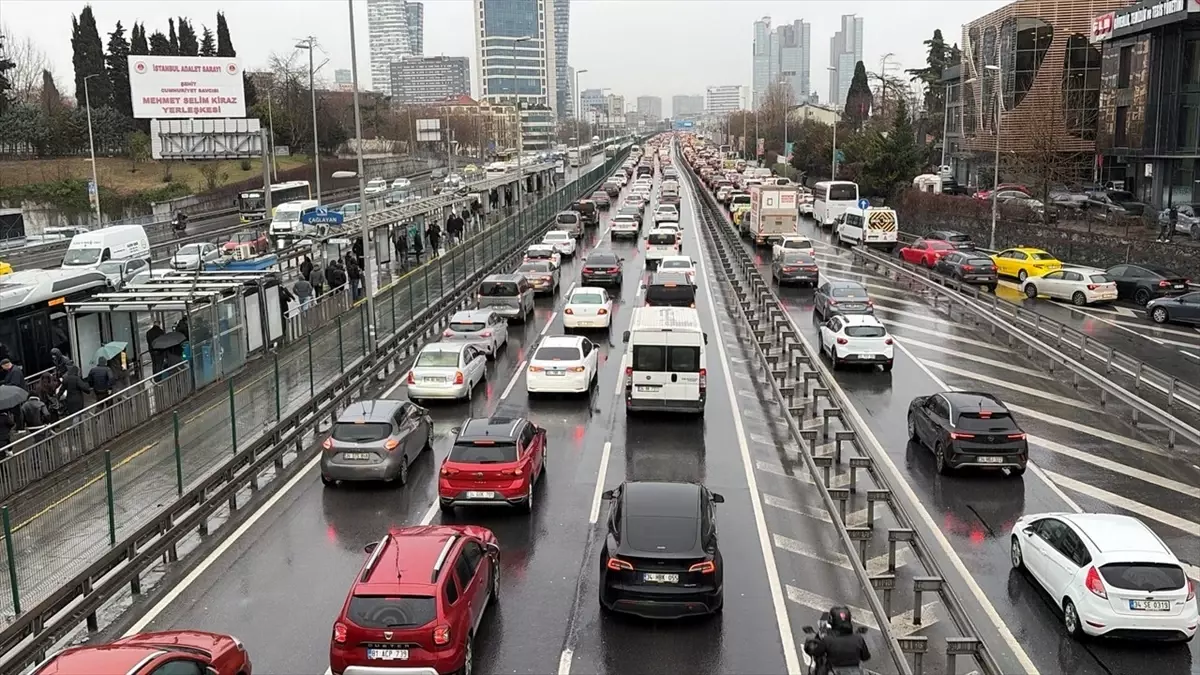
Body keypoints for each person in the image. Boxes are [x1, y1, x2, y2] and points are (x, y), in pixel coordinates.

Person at [804, 606, 871, 675]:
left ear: (831, 620)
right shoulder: (859, 638)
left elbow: (816, 653)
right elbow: (866, 657)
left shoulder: (827, 640)